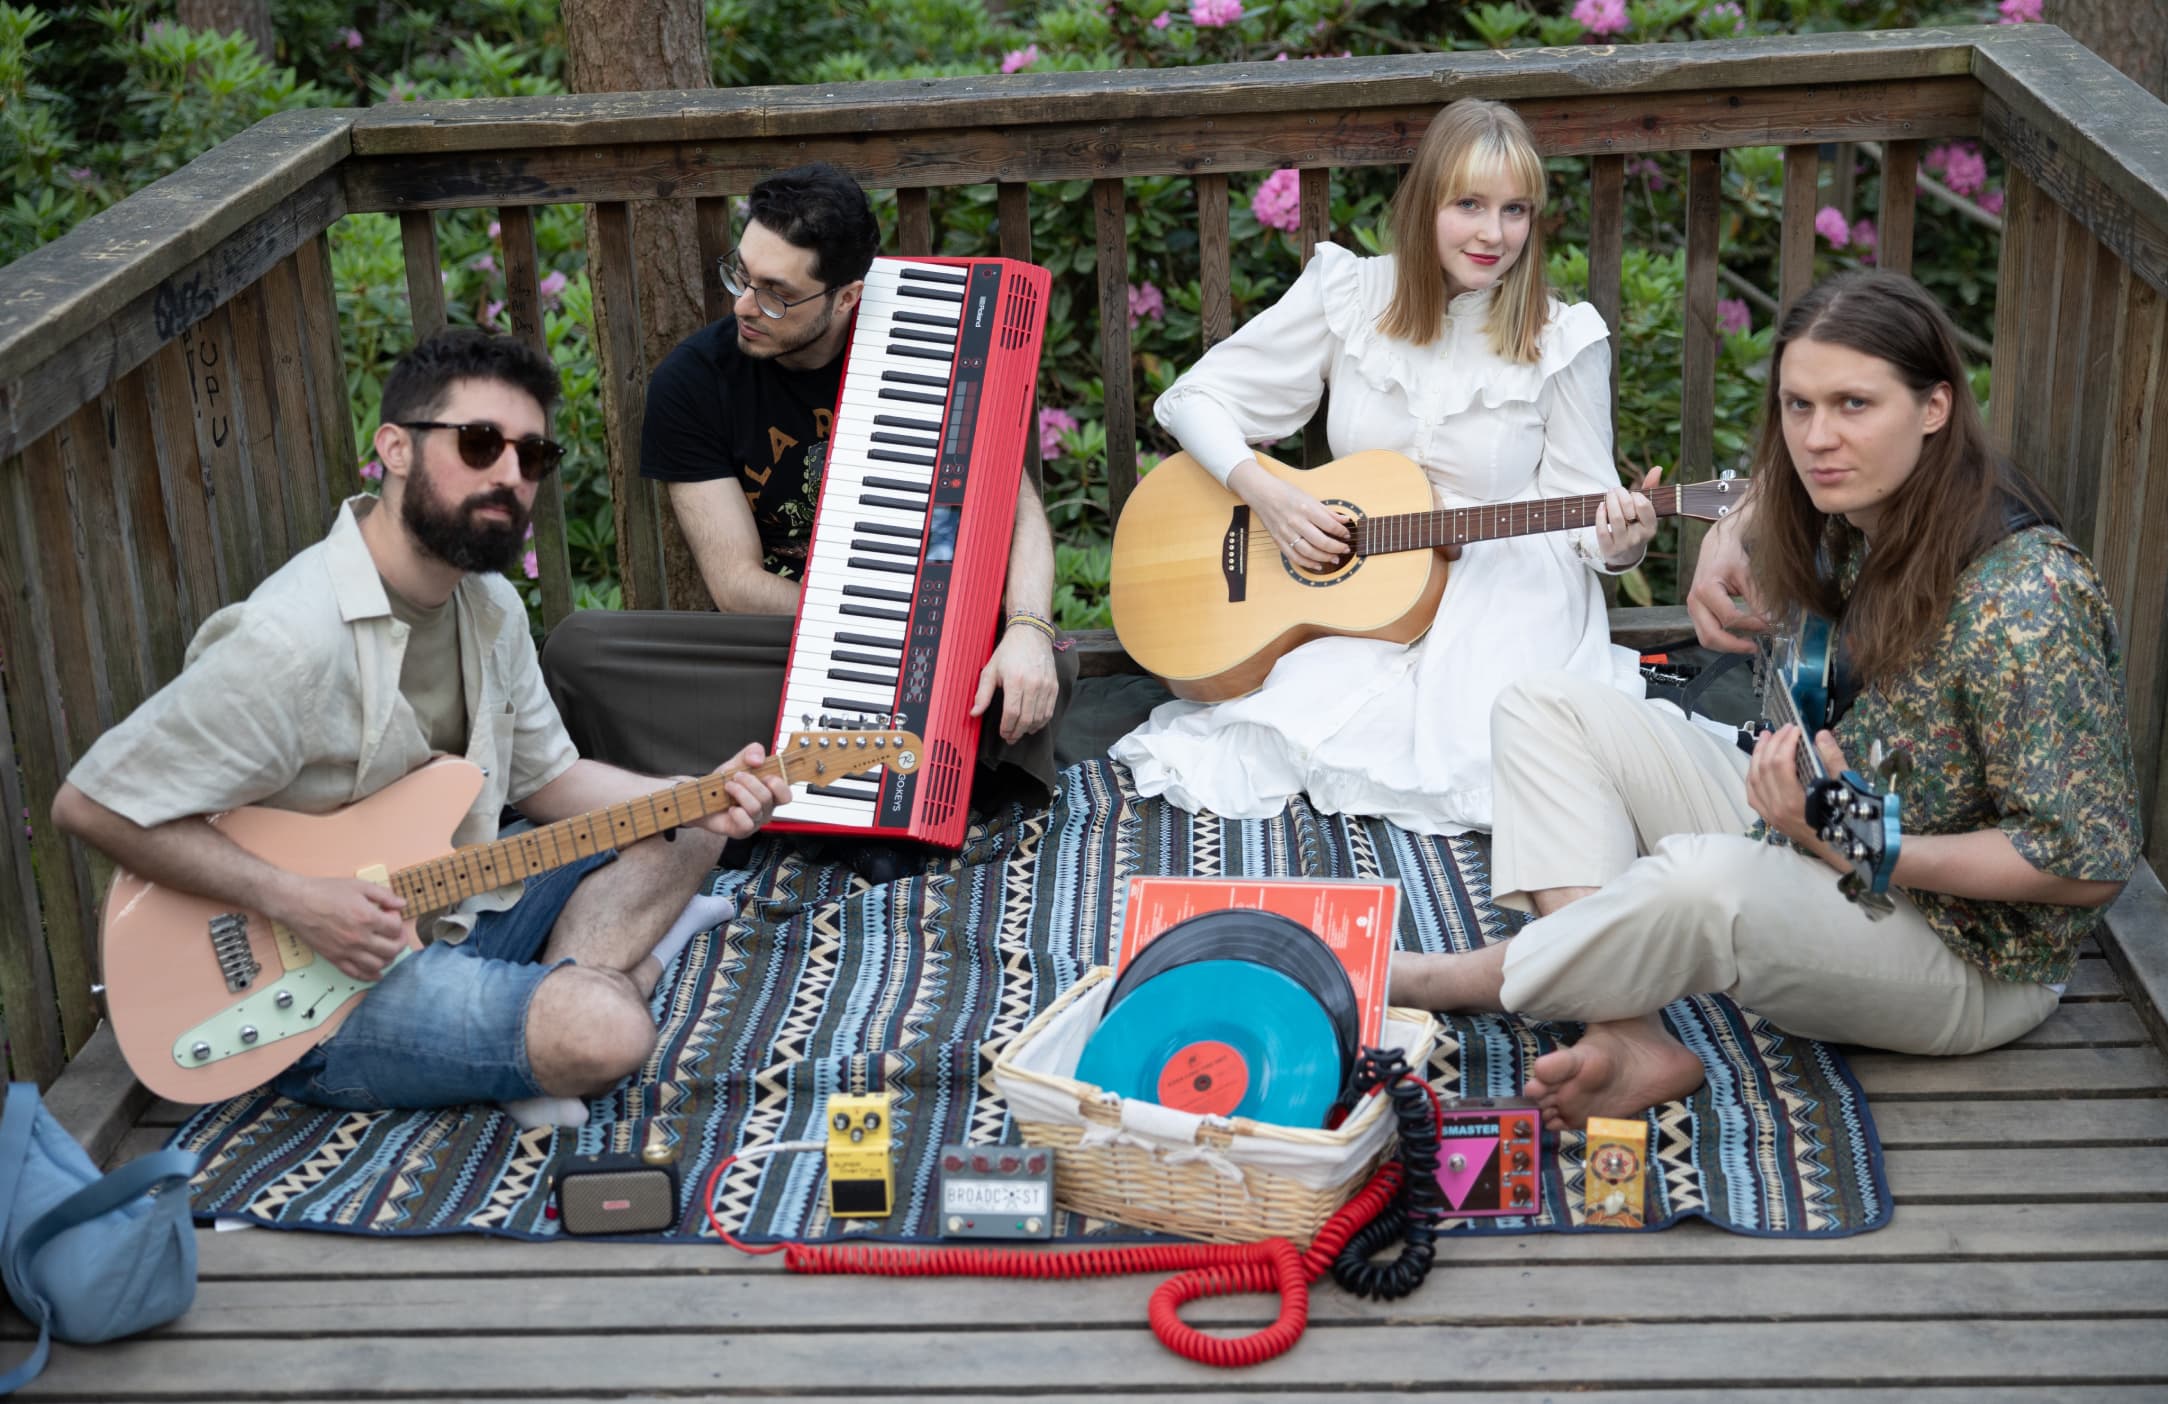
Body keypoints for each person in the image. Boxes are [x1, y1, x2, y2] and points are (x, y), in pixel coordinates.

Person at [1388, 270, 2141, 1128]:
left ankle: (1442, 979)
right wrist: (1727, 536)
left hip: (1965, 954)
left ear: (1934, 408)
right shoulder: (1874, 495)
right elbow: (1765, 489)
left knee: (1705, 884)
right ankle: (1626, 1031)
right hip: (1817, 825)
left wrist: (1845, 838)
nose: (1819, 438)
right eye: (1798, 406)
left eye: (1855, 405)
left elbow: (2086, 867)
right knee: (1543, 706)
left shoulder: (2026, 600)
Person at [53, 330, 792, 1127]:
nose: (509, 475)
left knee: (695, 828)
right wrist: (299, 901)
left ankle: (538, 1012)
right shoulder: (289, 642)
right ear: (395, 448)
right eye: (479, 445)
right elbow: (93, 805)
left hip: (459, 902)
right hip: (322, 983)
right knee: (607, 1028)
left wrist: (694, 797)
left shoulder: (489, 604)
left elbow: (546, 782)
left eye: (532, 456)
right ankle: (598, 991)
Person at [1110, 100, 1659, 835]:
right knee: (1295, 715)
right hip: (1363, 584)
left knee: (1482, 751)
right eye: (1469, 204)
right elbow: (1192, 400)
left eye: (1515, 210)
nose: (1494, 234)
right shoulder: (1352, 295)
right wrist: (1267, 495)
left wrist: (1620, 545)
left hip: (1506, 585)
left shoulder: (1563, 340)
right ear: (1427, 201)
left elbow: (1585, 516)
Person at [542, 162, 1077, 843]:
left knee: (1048, 663)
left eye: (776, 293)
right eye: (741, 275)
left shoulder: (929, 339)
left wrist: (1026, 627)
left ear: (847, 298)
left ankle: (800, 782)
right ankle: (913, 759)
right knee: (577, 651)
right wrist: (878, 633)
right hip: (790, 637)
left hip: (942, 633)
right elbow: (736, 585)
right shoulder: (693, 382)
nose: (743, 305)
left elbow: (1017, 509)